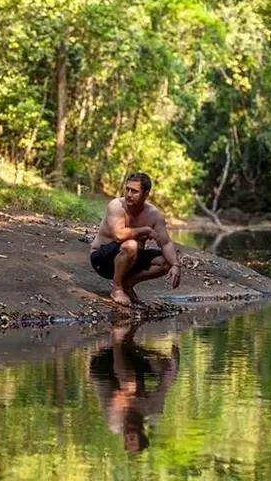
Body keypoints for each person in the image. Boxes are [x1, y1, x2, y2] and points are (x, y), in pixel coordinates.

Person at [89, 172, 181, 307]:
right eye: (127, 189)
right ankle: (117, 288)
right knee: (131, 245)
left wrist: (176, 265)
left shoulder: (154, 215)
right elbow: (119, 235)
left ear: (146, 194)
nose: (129, 194)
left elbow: (166, 243)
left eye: (134, 191)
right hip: (102, 260)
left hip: (129, 259)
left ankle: (127, 284)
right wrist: (145, 230)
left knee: (166, 262)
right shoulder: (116, 206)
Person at [89, 323, 180, 453]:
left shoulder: (115, 423)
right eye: (134, 439)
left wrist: (133, 399)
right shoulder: (153, 410)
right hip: (131, 367)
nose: (130, 436)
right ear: (142, 432)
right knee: (161, 367)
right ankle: (130, 337)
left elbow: (118, 397)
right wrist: (174, 358)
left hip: (103, 368)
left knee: (129, 385)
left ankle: (118, 339)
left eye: (128, 440)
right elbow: (166, 382)